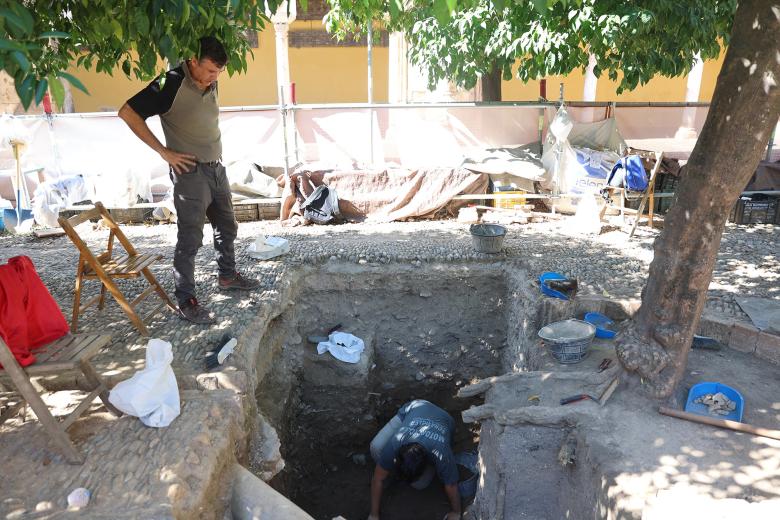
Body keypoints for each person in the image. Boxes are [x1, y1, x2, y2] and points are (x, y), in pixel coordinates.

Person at [118, 36, 259, 325]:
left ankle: (228, 276)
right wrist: (164, 152)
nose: (214, 78)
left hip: (217, 169)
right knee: (190, 238)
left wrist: (211, 76)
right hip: (190, 174)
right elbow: (128, 112)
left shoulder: (210, 79)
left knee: (228, 226)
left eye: (219, 72)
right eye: (209, 71)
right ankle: (186, 300)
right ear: (192, 61)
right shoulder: (169, 83)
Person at [368, 399, 461, 520]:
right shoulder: (396, 442)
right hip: (415, 408)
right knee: (376, 447)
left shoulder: (441, 452)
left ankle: (400, 472)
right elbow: (377, 479)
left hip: (444, 419)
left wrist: (456, 512)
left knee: (420, 484)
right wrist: (373, 515)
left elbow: (451, 485)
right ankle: (391, 468)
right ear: (396, 458)